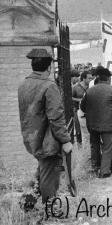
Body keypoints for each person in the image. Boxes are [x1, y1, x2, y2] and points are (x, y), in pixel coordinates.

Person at [18, 49, 72, 205]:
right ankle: (49, 210)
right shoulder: (49, 86)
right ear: (48, 67)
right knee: (50, 177)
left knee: (42, 171)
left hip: (31, 139)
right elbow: (56, 117)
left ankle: (28, 203)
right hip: (48, 141)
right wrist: (65, 140)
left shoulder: (23, 84)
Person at [80, 66, 112, 178]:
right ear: (108, 78)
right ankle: (104, 171)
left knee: (95, 146)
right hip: (107, 124)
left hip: (92, 124)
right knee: (107, 147)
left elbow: (82, 107)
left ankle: (95, 167)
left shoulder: (90, 90)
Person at [72, 71, 93, 144]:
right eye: (89, 78)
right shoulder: (75, 87)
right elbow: (70, 97)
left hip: (89, 111)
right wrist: (80, 100)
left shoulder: (92, 87)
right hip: (77, 110)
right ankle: (80, 146)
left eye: (92, 78)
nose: (91, 79)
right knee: (79, 131)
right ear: (84, 78)